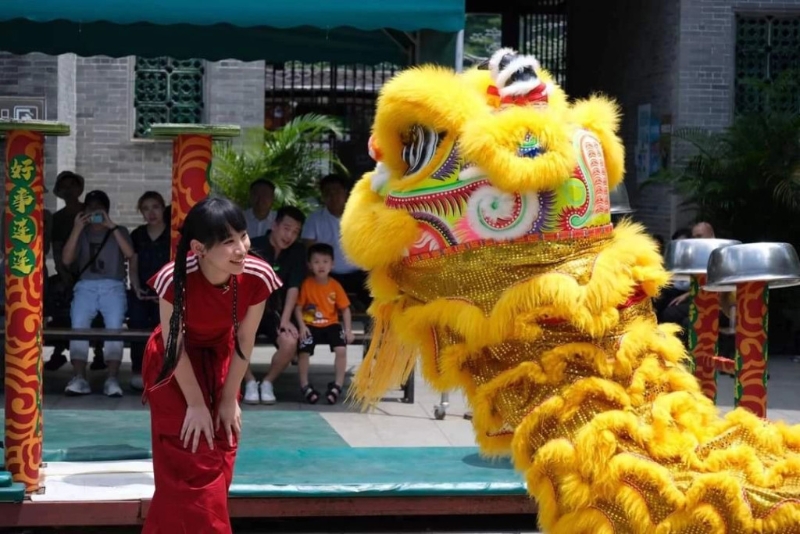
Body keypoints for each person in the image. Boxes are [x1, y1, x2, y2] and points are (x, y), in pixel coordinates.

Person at [142, 197, 280, 533]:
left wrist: (227, 398)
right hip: (174, 366)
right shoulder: (173, 279)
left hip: (221, 357)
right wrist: (195, 402)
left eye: (243, 236)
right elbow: (173, 343)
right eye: (228, 242)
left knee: (223, 448)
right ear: (199, 248)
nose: (241, 249)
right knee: (193, 456)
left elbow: (245, 340)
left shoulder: (258, 275)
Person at [61, 190, 134, 397]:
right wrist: (77, 228)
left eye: (98, 209)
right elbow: (67, 260)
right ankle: (79, 377)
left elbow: (129, 253)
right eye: (90, 209)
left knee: (114, 330)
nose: (94, 213)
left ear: (107, 210)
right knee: (79, 327)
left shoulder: (119, 230)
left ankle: (112, 378)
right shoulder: (81, 232)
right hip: (86, 286)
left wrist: (111, 226)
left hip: (113, 286)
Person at [243, 206, 307, 405]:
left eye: (295, 232)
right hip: (249, 309)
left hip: (275, 311)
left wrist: (286, 320)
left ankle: (268, 382)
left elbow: (294, 288)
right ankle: (250, 382)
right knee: (234, 338)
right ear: (275, 225)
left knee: (289, 342)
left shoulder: (298, 252)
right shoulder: (253, 247)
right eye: (287, 228)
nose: (289, 236)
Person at [294, 243, 354, 404]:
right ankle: (304, 384)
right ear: (309, 265)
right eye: (316, 261)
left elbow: (346, 310)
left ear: (332, 264)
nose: (321, 265)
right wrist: (302, 326)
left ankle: (338, 384)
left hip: (331, 324)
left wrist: (348, 330)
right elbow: (298, 308)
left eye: (325, 261)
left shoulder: (335, 285)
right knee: (303, 351)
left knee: (341, 349)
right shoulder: (307, 284)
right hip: (310, 325)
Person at [128, 191, 170, 391]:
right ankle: (138, 370)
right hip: (143, 292)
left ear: (163, 208)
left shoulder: (173, 233)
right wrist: (135, 287)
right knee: (137, 327)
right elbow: (133, 264)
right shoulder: (137, 234)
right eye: (145, 208)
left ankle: (163, 372)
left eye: (155, 207)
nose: (151, 212)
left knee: (164, 330)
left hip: (166, 292)